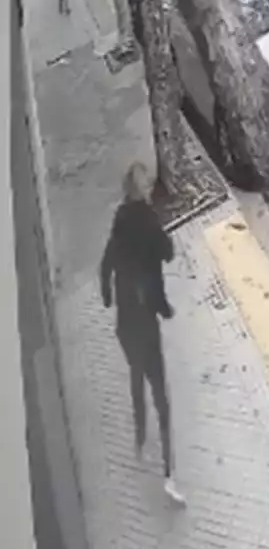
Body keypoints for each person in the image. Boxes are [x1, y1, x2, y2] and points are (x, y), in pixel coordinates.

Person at [101, 163, 185, 507]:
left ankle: (139, 437)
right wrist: (164, 308)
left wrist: (108, 297)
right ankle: (169, 475)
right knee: (161, 396)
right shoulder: (149, 223)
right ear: (144, 188)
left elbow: (105, 265)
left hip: (125, 324)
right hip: (146, 324)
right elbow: (167, 254)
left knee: (136, 376)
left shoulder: (120, 221)